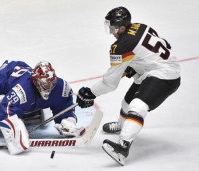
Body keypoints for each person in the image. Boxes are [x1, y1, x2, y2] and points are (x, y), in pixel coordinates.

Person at [76, 7, 181, 165]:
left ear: (122, 27)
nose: (111, 31)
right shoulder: (140, 26)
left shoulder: (122, 46)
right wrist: (135, 64)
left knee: (137, 106)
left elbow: (110, 83)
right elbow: (163, 43)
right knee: (126, 103)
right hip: (152, 70)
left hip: (165, 75)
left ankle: (122, 148)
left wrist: (91, 93)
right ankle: (122, 125)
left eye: (113, 27)